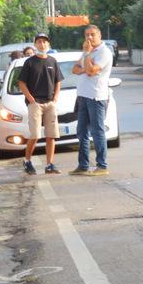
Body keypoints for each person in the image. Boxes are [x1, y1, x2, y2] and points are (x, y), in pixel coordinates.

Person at [71, 25, 113, 176]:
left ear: (99, 35)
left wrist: (87, 57)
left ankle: (102, 165)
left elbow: (91, 71)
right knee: (81, 131)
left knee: (97, 131)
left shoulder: (104, 53)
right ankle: (83, 165)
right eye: (87, 35)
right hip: (83, 96)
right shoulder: (86, 52)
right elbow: (74, 69)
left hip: (96, 97)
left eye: (92, 35)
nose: (89, 38)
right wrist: (86, 62)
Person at [18, 33, 63, 175]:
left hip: (50, 103)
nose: (42, 44)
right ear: (35, 44)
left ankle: (50, 164)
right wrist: (31, 99)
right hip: (35, 103)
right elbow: (21, 82)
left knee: (51, 135)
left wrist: (55, 98)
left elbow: (58, 81)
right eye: (39, 42)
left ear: (48, 44)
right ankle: (27, 161)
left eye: (44, 42)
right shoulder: (30, 62)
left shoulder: (52, 61)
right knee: (35, 135)